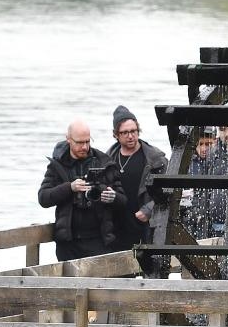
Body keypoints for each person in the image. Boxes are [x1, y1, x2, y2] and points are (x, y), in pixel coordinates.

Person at [37, 119, 120, 261]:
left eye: (87, 141)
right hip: (68, 242)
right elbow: (43, 198)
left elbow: (122, 200)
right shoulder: (57, 166)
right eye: (80, 143)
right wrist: (69, 187)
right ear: (68, 139)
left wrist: (113, 197)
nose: (85, 147)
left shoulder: (104, 162)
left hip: (98, 240)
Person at [106, 105, 169, 262]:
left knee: (148, 268)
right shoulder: (107, 159)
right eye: (125, 132)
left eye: (133, 131)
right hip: (118, 228)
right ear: (116, 134)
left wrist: (148, 210)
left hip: (146, 226)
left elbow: (169, 190)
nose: (130, 136)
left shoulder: (156, 159)